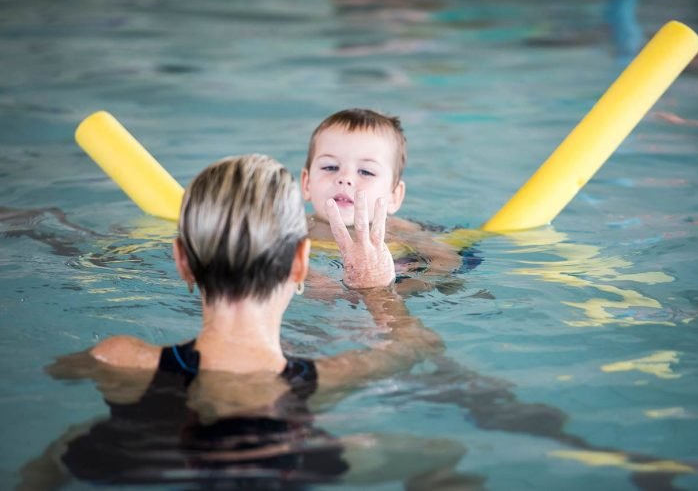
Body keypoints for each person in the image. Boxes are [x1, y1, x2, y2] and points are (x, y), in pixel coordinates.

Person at [20, 154, 447, 489]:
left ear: (182, 262)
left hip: (141, 460)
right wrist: (376, 291)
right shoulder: (339, 373)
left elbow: (54, 374)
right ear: (300, 262)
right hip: (289, 464)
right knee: (434, 455)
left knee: (62, 449)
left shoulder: (118, 359)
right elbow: (418, 346)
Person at [301, 108, 469, 291]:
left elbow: (447, 260)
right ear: (307, 183)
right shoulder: (297, 229)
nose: (345, 178)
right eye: (330, 167)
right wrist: (311, 277)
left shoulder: (397, 231)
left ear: (393, 196)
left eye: (366, 171)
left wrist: (398, 290)